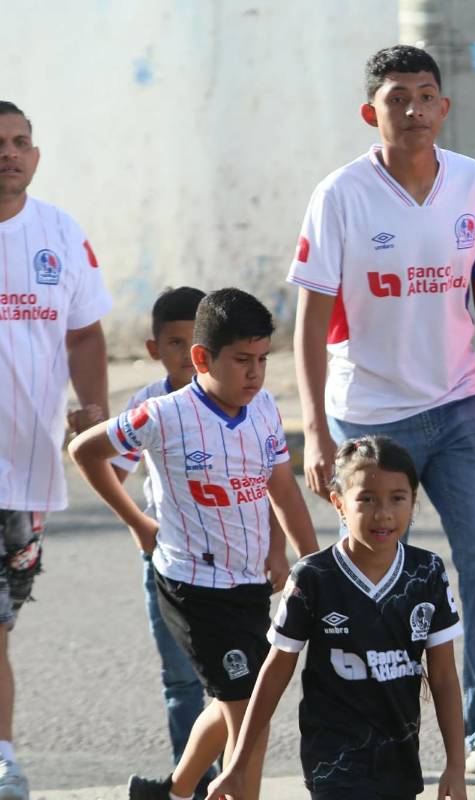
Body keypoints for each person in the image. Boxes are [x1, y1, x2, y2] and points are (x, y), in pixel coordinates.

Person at [289, 44, 475, 775]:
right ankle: (371, 737)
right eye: (397, 97)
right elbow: (309, 320)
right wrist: (314, 432)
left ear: (444, 106)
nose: (413, 109)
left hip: (460, 403)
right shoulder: (340, 194)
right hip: (368, 417)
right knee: (373, 579)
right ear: (373, 112)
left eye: (426, 95)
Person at [68, 288, 320, 800]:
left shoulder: (265, 408)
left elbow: (283, 488)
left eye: (264, 360)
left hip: (250, 585)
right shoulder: (162, 415)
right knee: (248, 712)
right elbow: (84, 451)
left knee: (235, 703)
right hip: (194, 589)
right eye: (242, 360)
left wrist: (310, 565)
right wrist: (138, 521)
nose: (255, 373)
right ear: (202, 359)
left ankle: (171, 793)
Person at [205, 436, 467, 800]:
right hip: (334, 763)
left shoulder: (427, 572)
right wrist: (237, 766)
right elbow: (275, 670)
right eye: (367, 499)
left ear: (413, 502)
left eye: (397, 498)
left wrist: (457, 765)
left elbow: (443, 677)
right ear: (339, 503)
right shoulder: (313, 576)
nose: (384, 513)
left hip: (399, 762)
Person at [0, 100, 111, 800]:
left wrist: (91, 415)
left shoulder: (60, 233)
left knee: (1, 625)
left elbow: (84, 334)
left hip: (25, 475)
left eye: (21, 142)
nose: (9, 153)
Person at [108, 286, 225, 781]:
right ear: (155, 349)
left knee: (230, 682)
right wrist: (139, 523)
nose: (185, 353)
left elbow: (265, 479)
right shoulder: (147, 404)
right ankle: (191, 782)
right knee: (180, 681)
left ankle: (231, 777)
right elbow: (111, 470)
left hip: (226, 560)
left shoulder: (235, 398)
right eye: (173, 343)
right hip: (165, 559)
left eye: (193, 341)